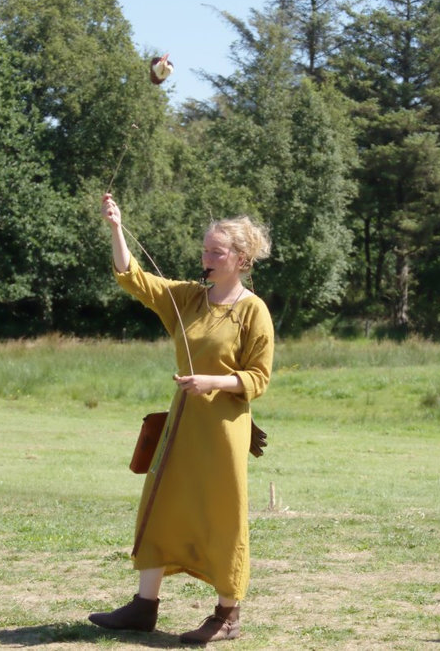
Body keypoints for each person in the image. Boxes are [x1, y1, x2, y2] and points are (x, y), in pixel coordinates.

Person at [90, 193, 275, 644]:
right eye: (205, 249)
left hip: (223, 433)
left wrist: (215, 382)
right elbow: (134, 278)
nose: (207, 257)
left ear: (241, 259)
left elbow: (259, 377)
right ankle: (143, 607)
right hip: (181, 426)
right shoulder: (189, 299)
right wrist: (116, 227)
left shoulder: (253, 310)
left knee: (222, 516)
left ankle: (227, 614)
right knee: (161, 503)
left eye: (217, 251)